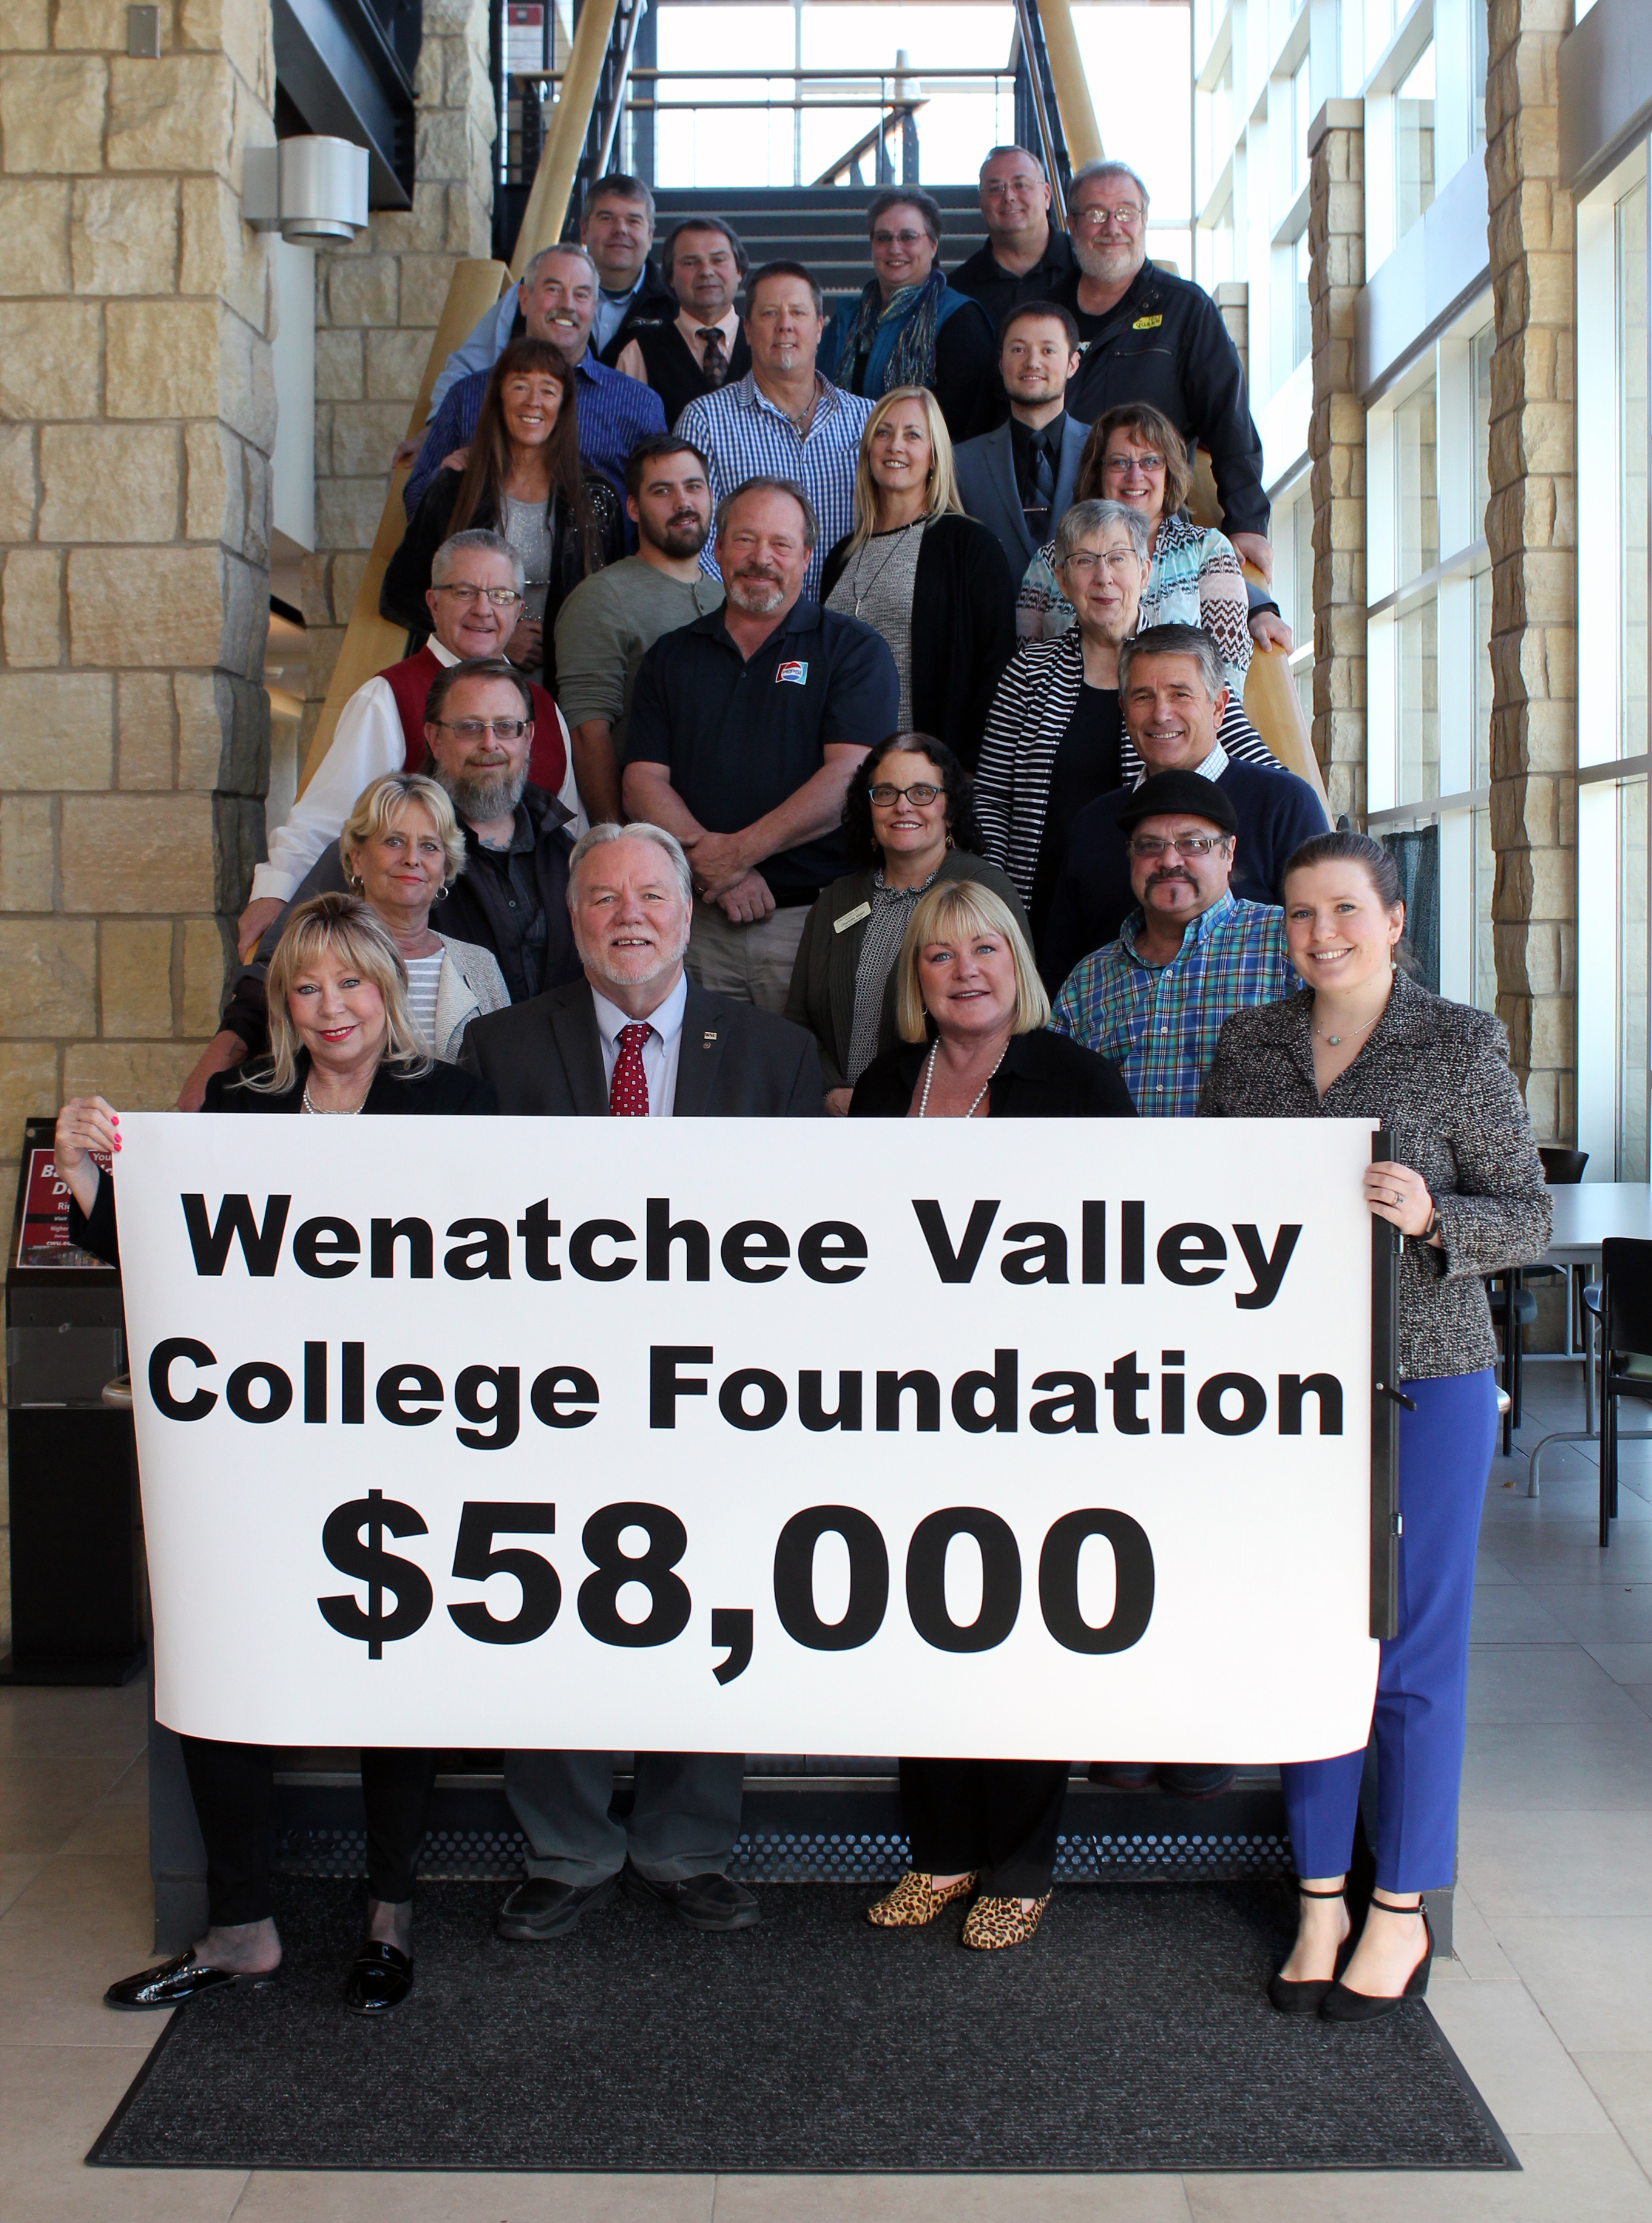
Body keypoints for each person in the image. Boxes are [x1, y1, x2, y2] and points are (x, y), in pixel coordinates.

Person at [62, 894, 496, 2018]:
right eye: (307, 987)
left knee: (392, 1677)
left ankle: (389, 1916)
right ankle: (239, 1927)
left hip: (409, 1436)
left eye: (352, 982)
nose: (332, 1007)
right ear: (282, 1005)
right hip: (264, 1444)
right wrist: (86, 1174)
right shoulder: (242, 1107)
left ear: (388, 989)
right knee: (222, 1664)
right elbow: (158, 1248)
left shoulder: (452, 1100)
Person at [1200, 831, 1552, 2019]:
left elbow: (1528, 1220)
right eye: (1301, 914)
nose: (1323, 935)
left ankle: (1398, 1909)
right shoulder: (1246, 1047)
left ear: (1395, 920)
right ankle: (1318, 1898)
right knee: (1308, 1637)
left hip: (1431, 1379)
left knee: (1414, 1648)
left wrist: (1435, 1213)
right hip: (1282, 1392)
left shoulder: (1457, 1042)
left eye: (1346, 911)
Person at [459, 822, 821, 1942]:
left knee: (708, 1600)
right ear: (574, 923)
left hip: (719, 1393)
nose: (629, 915)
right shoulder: (500, 1050)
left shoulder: (776, 1057)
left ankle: (686, 1842)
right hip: (550, 1395)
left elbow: (817, 1243)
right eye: (604, 898)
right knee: (549, 1603)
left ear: (687, 910)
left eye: (652, 896)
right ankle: (565, 1845)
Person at [851, 877, 1133, 1951]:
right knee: (919, 1619)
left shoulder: (1077, 1081)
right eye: (939, 955)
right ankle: (941, 1845)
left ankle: (1020, 1858)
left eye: (985, 950)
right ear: (915, 978)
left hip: (1038, 1399)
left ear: (1016, 963)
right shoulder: (885, 1086)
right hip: (902, 1399)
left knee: (1019, 1625)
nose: (965, 971)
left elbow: (1121, 1247)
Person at [187, 659, 583, 1099]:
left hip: (541, 1108)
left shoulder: (566, 853)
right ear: (434, 737)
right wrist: (220, 1058)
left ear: (528, 737)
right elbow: (281, 971)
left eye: (506, 727)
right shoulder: (374, 846)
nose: (489, 743)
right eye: (470, 727)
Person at [233, 529, 576, 966]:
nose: (483, 609)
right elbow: (328, 822)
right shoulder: (387, 696)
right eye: (465, 591)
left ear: (519, 609)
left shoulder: (544, 708)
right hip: (423, 958)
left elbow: (569, 831)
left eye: (500, 595)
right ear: (433, 603)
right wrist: (276, 894)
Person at [621, 477, 899, 1012]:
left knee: (807, 1087)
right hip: (694, 924)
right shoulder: (671, 657)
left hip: (810, 925)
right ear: (718, 549)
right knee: (698, 1089)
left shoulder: (853, 651)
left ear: (807, 556)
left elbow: (851, 776)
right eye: (744, 540)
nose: (760, 559)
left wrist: (738, 856)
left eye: (780, 544)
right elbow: (640, 782)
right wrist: (718, 870)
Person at [1041, 624, 1327, 986]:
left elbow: (1326, 945)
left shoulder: (1285, 804)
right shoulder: (1092, 824)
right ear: (1124, 711)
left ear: (1219, 707)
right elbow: (1058, 972)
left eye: (1180, 695)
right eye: (1143, 697)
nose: (1161, 714)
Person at [786, 733, 1028, 1112]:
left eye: (922, 792)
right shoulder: (836, 899)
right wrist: (831, 1091)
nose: (902, 806)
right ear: (868, 808)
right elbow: (797, 1022)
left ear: (949, 808)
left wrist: (895, 1100)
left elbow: (1013, 1014)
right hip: (834, 1117)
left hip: (938, 1116)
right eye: (885, 793)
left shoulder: (982, 887)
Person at [1055, 161, 1271, 580]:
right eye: (1097, 213)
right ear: (1072, 223)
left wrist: (1247, 524)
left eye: (1126, 212)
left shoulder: (1185, 310)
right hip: (1062, 537)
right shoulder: (1048, 314)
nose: (1112, 226)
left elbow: (1230, 424)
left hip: (1156, 544)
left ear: (1144, 219)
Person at [217, 771, 509, 1068]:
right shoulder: (310, 953)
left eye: (429, 846)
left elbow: (504, 1072)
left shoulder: (480, 966)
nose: (412, 858)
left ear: (446, 866)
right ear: (357, 858)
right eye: (394, 841)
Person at [1049, 766, 1297, 1115]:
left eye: (1193, 844)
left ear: (1229, 852)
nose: (1169, 860)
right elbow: (1053, 1103)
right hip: (1117, 1168)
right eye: (1150, 845)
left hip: (1253, 1167)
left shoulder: (1286, 941)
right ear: (1130, 856)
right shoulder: (1090, 979)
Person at [384, 339, 623, 692]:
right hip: (468, 689)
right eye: (520, 386)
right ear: (499, 397)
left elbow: (610, 605)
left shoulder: (594, 496)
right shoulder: (456, 487)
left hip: (569, 693)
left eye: (548, 389)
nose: (533, 401)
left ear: (564, 404)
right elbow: (400, 593)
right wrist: (496, 636)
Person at [973, 499, 1155, 946]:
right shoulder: (1028, 672)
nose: (1103, 577)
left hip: (1152, 916)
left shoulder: (1183, 667)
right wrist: (1000, 900)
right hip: (1041, 912)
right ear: (1061, 579)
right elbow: (992, 797)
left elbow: (1250, 765)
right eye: (1085, 561)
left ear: (1144, 572)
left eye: (1117, 558)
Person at [819, 384, 1014, 767]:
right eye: (883, 432)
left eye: (912, 435)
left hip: (929, 775)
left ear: (934, 456)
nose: (895, 445)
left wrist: (965, 774)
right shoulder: (839, 557)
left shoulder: (970, 544)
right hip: (842, 773)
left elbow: (997, 670)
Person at [405, 244, 665, 519]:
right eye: (553, 289)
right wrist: (446, 480)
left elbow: (660, 506)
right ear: (524, 298)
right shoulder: (468, 396)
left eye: (581, 294)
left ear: (594, 306)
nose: (567, 305)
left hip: (603, 563)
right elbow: (413, 500)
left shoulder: (638, 404)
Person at [411, 175, 675, 442]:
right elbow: (467, 368)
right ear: (584, 230)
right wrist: (437, 429)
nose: (620, 230)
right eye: (606, 218)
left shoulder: (674, 307)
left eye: (633, 220)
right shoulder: (525, 297)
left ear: (651, 235)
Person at [1014, 404, 1259, 689]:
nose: (1135, 476)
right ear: (1097, 473)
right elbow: (1027, 671)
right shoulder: (1050, 561)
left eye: (1150, 461)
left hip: (1174, 727)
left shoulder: (1207, 550)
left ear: (1168, 473)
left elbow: (1227, 670)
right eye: (1119, 462)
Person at [553, 435, 726, 825]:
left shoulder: (729, 597)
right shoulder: (601, 597)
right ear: (633, 507)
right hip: (643, 844)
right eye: (662, 491)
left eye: (693, 486)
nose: (683, 502)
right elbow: (586, 733)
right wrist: (618, 840)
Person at [675, 260, 872, 601]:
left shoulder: (868, 421)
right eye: (769, 314)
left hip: (850, 632)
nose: (785, 326)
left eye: (798, 312)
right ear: (748, 330)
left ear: (820, 327)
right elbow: (696, 545)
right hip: (750, 629)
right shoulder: (705, 420)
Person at [824, 188, 997, 447]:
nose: (895, 248)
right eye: (883, 238)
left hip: (928, 474)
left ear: (933, 244)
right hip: (842, 467)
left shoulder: (960, 318)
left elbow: (961, 421)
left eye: (908, 237)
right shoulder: (847, 320)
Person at [952, 301, 1088, 575]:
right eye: (1018, 349)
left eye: (1048, 350)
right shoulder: (961, 463)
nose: (1032, 362)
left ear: (1073, 363)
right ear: (1001, 363)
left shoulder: (1104, 451)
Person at [609, 216, 752, 421]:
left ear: (739, 270)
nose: (706, 271)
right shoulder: (639, 354)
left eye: (718, 260)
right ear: (669, 276)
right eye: (690, 262)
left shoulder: (766, 342)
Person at [948, 145, 1079, 332]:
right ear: (981, 203)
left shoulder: (1086, 267)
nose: (1008, 196)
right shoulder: (957, 293)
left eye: (1021, 185)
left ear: (1046, 195)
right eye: (995, 188)